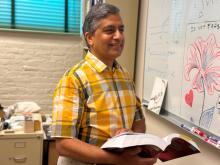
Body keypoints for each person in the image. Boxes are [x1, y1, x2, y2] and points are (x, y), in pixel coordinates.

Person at [51, 3, 158, 165]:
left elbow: (139, 122)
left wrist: (130, 136)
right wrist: (117, 160)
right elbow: (64, 144)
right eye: (110, 31)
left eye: (121, 30)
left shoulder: (125, 76)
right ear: (90, 38)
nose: (119, 36)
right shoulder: (74, 79)